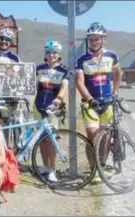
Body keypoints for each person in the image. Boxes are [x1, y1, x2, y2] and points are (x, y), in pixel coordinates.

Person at [75, 22, 123, 183]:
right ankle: (93, 170)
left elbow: (118, 73)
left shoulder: (111, 56)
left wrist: (115, 92)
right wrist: (90, 100)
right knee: (92, 137)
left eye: (96, 39)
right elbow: (79, 83)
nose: (93, 42)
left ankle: (102, 166)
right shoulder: (82, 59)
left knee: (105, 137)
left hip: (108, 103)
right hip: (90, 104)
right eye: (91, 39)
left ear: (103, 39)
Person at [33, 40, 69, 181]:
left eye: (54, 52)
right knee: (42, 139)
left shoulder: (63, 70)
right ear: (45, 54)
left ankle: (52, 168)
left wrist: (59, 99)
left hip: (52, 108)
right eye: (48, 52)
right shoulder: (39, 68)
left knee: (52, 139)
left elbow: (64, 86)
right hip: (38, 106)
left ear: (59, 54)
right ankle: (45, 166)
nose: (51, 54)